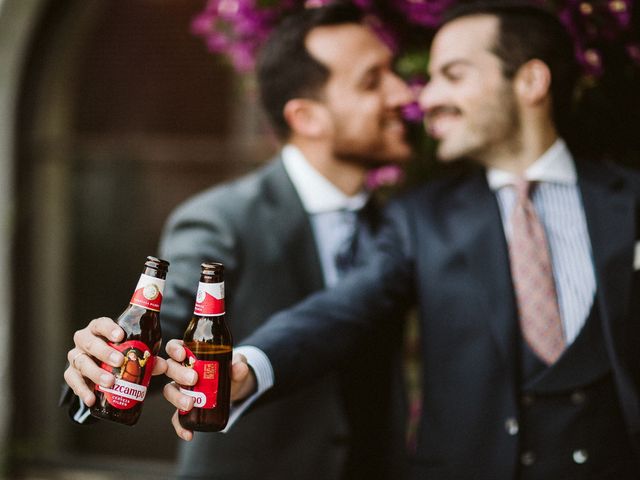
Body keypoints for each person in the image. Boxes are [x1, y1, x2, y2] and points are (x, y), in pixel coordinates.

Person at [163, 1, 640, 478]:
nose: (425, 98)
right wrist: (248, 367)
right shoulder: (419, 216)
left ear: (532, 82)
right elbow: (343, 308)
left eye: (453, 75)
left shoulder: (631, 202)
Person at [62, 3, 413, 480]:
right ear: (307, 117)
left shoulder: (399, 225)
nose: (402, 91)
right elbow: (164, 325)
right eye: (372, 80)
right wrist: (97, 367)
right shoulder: (220, 219)